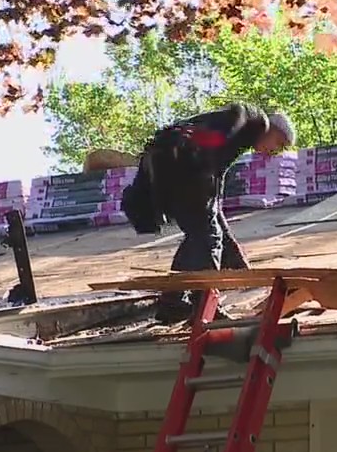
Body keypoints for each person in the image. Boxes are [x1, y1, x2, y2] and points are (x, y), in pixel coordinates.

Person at [120, 102, 296, 322]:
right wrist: (218, 137)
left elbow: (215, 193)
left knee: (201, 235)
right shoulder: (255, 121)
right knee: (208, 238)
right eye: (278, 143)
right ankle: (204, 305)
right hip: (182, 168)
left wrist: (236, 258)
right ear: (272, 129)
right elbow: (236, 115)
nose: (274, 152)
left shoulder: (237, 141)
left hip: (172, 167)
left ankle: (173, 302)